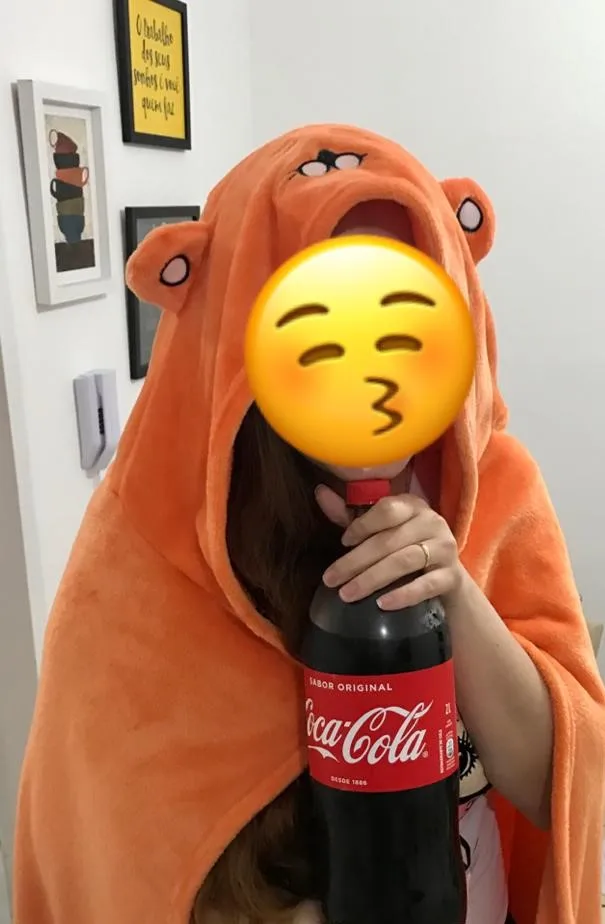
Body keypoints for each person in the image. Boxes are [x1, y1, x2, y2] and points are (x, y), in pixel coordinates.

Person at [12, 125, 605, 924]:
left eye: (403, 324)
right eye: (322, 333)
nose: (370, 374)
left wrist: (455, 594)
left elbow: (559, 788)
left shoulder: (500, 486)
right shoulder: (152, 539)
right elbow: (108, 846)